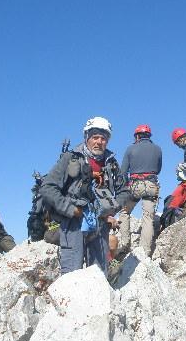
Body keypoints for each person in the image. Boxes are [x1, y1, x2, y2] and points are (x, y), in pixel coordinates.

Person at [40, 116, 127, 275]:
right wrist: (70, 209)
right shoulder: (71, 158)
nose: (99, 142)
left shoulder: (112, 164)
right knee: (72, 275)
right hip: (74, 223)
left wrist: (110, 210)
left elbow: (123, 192)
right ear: (87, 137)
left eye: (103, 138)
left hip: (100, 226)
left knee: (99, 275)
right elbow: (47, 187)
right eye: (95, 137)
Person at [119, 124, 162, 257]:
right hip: (151, 184)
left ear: (137, 136)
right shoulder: (157, 149)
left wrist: (125, 187)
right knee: (148, 218)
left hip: (135, 185)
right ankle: (145, 251)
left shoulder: (130, 149)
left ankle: (125, 244)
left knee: (124, 212)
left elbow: (123, 171)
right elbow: (159, 169)